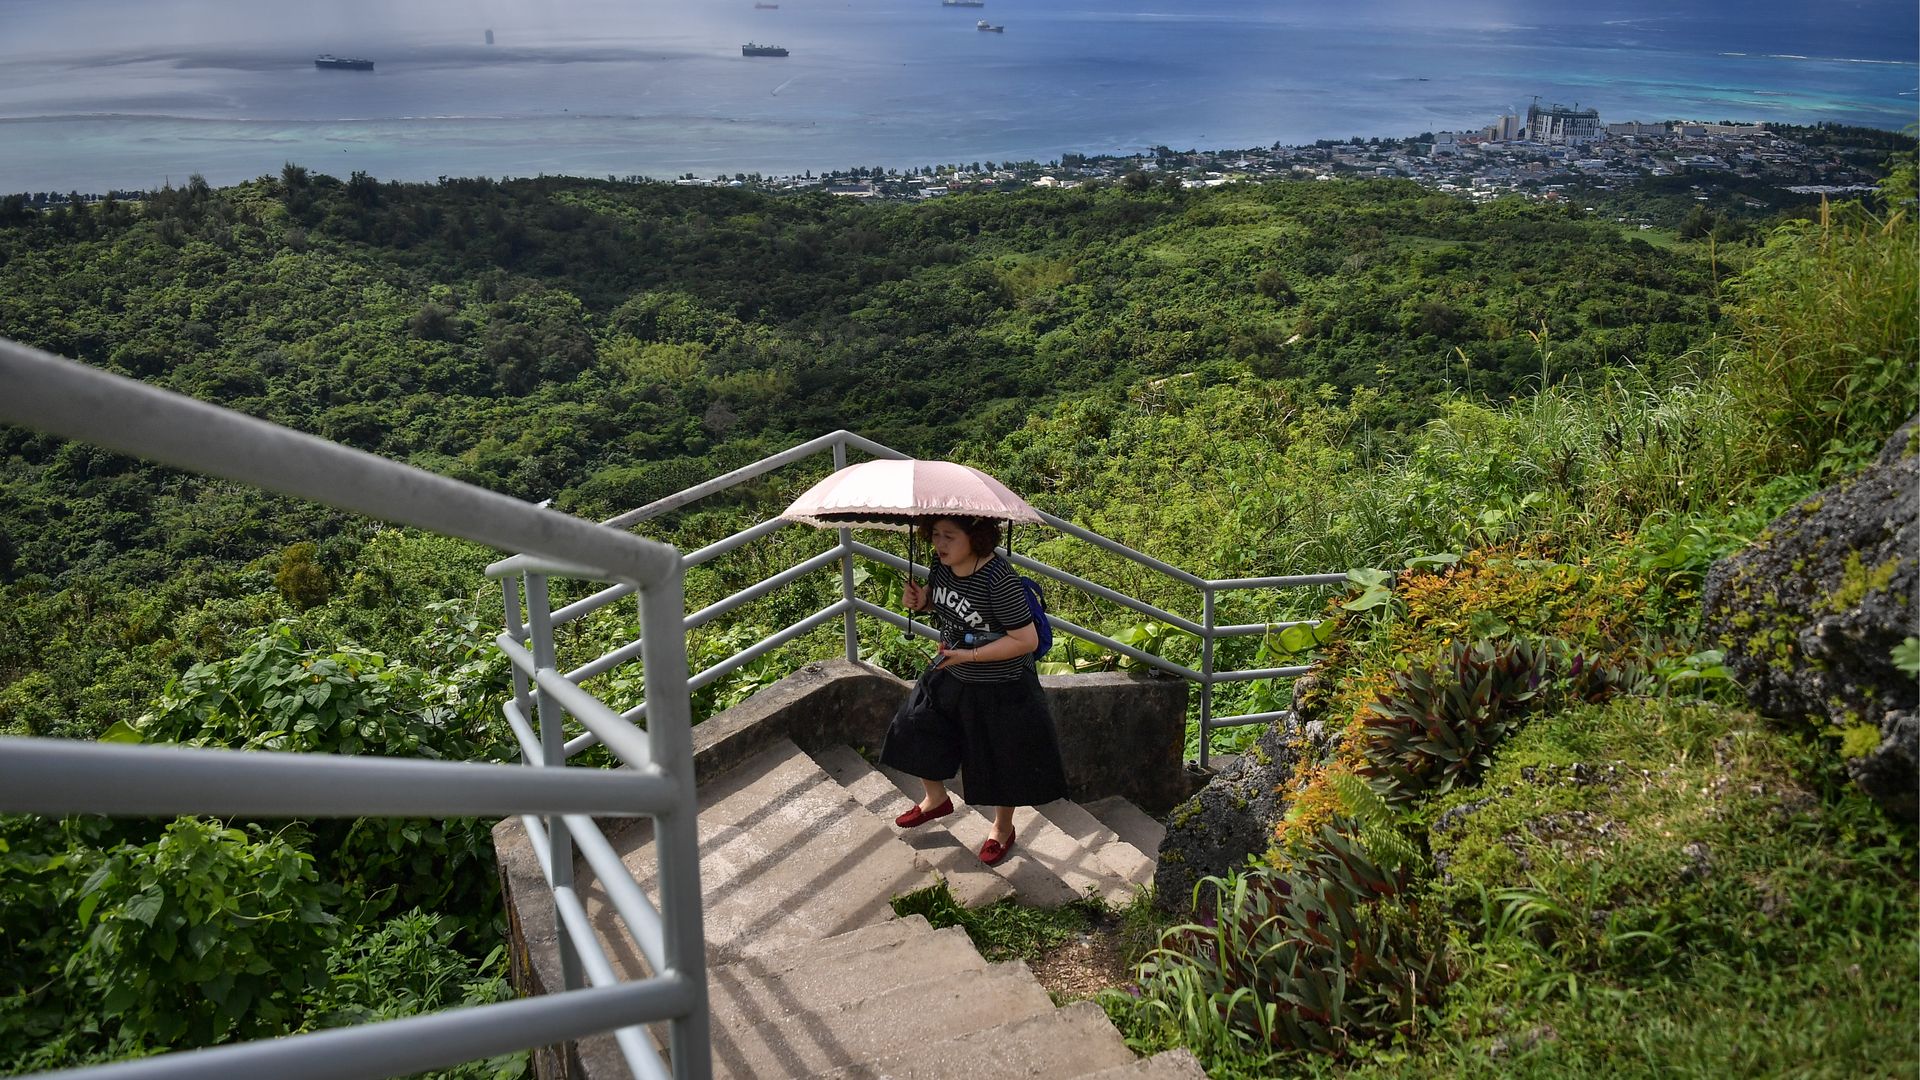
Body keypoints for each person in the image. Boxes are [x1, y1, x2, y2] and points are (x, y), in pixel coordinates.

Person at [879, 515, 1068, 865]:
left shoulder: (999, 580)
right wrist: (923, 601)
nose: (940, 544)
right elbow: (948, 604)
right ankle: (936, 799)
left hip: (1002, 682)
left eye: (950, 536)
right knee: (913, 725)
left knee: (999, 757)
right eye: (935, 534)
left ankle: (1002, 828)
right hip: (952, 666)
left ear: (975, 538)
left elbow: (1026, 640)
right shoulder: (942, 565)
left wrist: (972, 655)